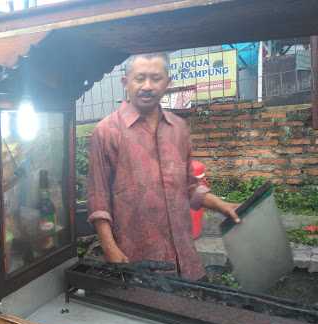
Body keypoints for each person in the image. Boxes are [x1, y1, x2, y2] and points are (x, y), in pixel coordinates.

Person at [87, 53, 239, 281]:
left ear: (168, 83)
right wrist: (110, 249)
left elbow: (189, 186)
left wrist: (222, 206)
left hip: (185, 259)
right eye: (140, 78)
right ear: (125, 82)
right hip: (137, 261)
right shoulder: (106, 131)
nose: (147, 86)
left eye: (156, 78)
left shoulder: (178, 128)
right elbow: (98, 198)